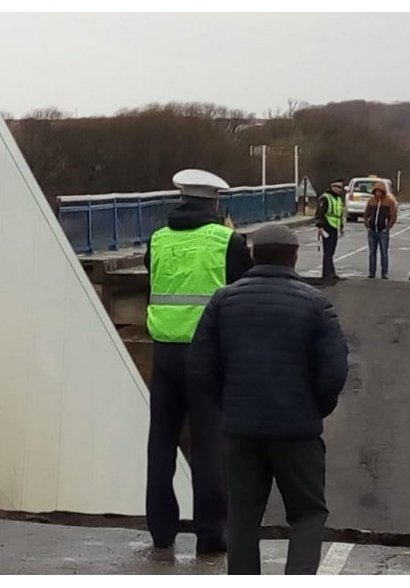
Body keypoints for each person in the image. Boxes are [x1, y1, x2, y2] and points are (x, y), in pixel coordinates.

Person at [188, 224, 348, 575]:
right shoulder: (316, 304)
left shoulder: (223, 300)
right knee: (307, 512)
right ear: (293, 256)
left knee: (244, 515)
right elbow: (334, 371)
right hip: (297, 431)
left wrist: (227, 404)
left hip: (241, 430)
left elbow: (200, 366)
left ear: (253, 256)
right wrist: (315, 409)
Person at [143, 168, 253, 556]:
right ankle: (210, 534)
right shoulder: (228, 241)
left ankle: (161, 530)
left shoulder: (157, 240)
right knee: (209, 446)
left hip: (164, 352)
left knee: (161, 442)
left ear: (181, 199)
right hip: (206, 353)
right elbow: (243, 288)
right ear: (216, 203)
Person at [363, 181, 397, 279]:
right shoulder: (371, 201)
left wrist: (387, 228)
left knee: (384, 253)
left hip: (383, 231)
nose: (378, 193)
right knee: (372, 253)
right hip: (372, 231)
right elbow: (366, 214)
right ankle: (371, 272)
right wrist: (367, 225)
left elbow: (393, 216)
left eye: (380, 191)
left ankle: (384, 272)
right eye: (376, 191)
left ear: (383, 192)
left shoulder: (389, 202)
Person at [314, 179, 346, 281]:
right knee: (327, 251)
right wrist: (320, 227)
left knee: (331, 251)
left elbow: (339, 214)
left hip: (334, 226)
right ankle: (327, 273)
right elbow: (319, 213)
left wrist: (341, 227)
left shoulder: (339, 199)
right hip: (327, 226)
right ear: (332, 186)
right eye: (338, 187)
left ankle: (330, 272)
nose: (339, 189)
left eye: (341, 187)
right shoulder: (325, 198)